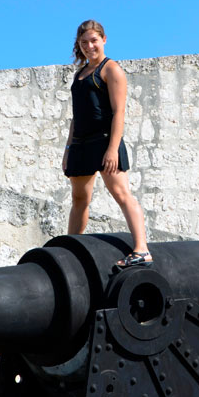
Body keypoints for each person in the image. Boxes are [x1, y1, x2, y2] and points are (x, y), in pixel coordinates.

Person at [62, 19, 152, 267]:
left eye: (94, 40)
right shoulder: (80, 74)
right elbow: (76, 117)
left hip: (104, 141)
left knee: (122, 194)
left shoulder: (111, 69)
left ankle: (142, 250)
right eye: (84, 42)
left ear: (103, 40)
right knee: (79, 200)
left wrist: (112, 149)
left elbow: (119, 112)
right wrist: (68, 150)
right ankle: (69, 249)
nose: (89, 46)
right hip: (80, 144)